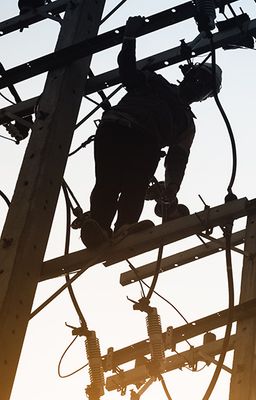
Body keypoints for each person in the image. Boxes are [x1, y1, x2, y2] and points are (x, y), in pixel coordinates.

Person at [81, 16, 222, 248]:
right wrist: (129, 37)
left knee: (134, 187)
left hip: (145, 144)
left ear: (206, 96)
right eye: (197, 78)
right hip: (117, 128)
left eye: (204, 85)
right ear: (188, 74)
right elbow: (127, 71)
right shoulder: (155, 82)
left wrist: (171, 188)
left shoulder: (187, 124)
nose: (198, 85)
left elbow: (178, 159)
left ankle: (124, 228)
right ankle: (99, 228)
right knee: (108, 182)